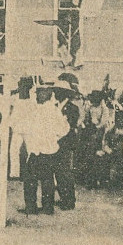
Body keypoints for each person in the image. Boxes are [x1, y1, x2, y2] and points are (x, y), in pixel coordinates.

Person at [19, 83, 70, 215]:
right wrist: (54, 138)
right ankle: (48, 208)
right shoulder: (55, 110)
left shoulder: (36, 111)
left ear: (44, 95)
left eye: (39, 94)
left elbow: (25, 128)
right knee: (47, 179)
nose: (37, 96)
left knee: (30, 180)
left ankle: (31, 207)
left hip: (37, 150)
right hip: (51, 150)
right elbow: (64, 129)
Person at [54, 85, 82, 210]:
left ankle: (69, 201)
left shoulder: (72, 108)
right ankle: (64, 198)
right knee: (59, 172)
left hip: (66, 142)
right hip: (56, 142)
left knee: (65, 172)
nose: (56, 93)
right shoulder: (56, 106)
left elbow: (70, 126)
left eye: (58, 91)